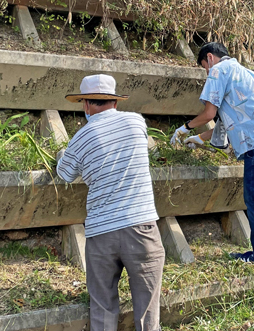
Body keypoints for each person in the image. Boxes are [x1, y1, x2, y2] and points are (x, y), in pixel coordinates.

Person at [171, 42, 254, 271]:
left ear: (210, 58)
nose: (207, 73)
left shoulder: (219, 70)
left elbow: (210, 113)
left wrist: (185, 127)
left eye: (204, 67)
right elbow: (224, 121)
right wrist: (200, 138)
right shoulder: (249, 75)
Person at [56, 74, 164, 331]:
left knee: (102, 307)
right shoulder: (136, 122)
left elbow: (64, 173)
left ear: (85, 105)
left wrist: (64, 153)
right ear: (115, 102)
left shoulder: (81, 138)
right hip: (141, 229)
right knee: (148, 309)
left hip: (101, 233)